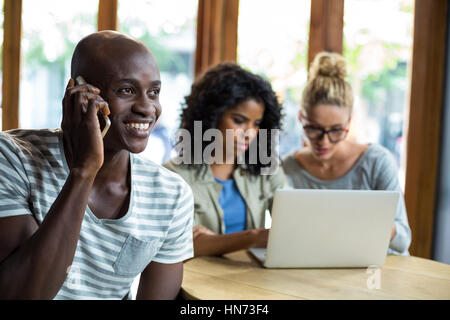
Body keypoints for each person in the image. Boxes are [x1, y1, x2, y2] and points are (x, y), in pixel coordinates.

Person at [0, 31, 194, 299]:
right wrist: (84, 171)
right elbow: (23, 294)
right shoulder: (12, 158)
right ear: (79, 93)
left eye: (154, 93)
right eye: (126, 90)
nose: (147, 108)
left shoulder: (172, 195)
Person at [282, 52, 411, 255]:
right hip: (318, 266)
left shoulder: (377, 162)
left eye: (335, 130)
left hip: (377, 271)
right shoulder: (288, 167)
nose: (324, 141)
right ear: (300, 118)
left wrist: (362, 220)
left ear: (349, 123)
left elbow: (403, 239)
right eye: (313, 128)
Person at [163, 62, 285, 257]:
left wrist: (214, 241)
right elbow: (185, 246)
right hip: (195, 284)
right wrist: (254, 237)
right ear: (210, 118)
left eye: (257, 124)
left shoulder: (267, 169)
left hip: (249, 280)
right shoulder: (174, 176)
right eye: (239, 120)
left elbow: (292, 227)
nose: (250, 133)